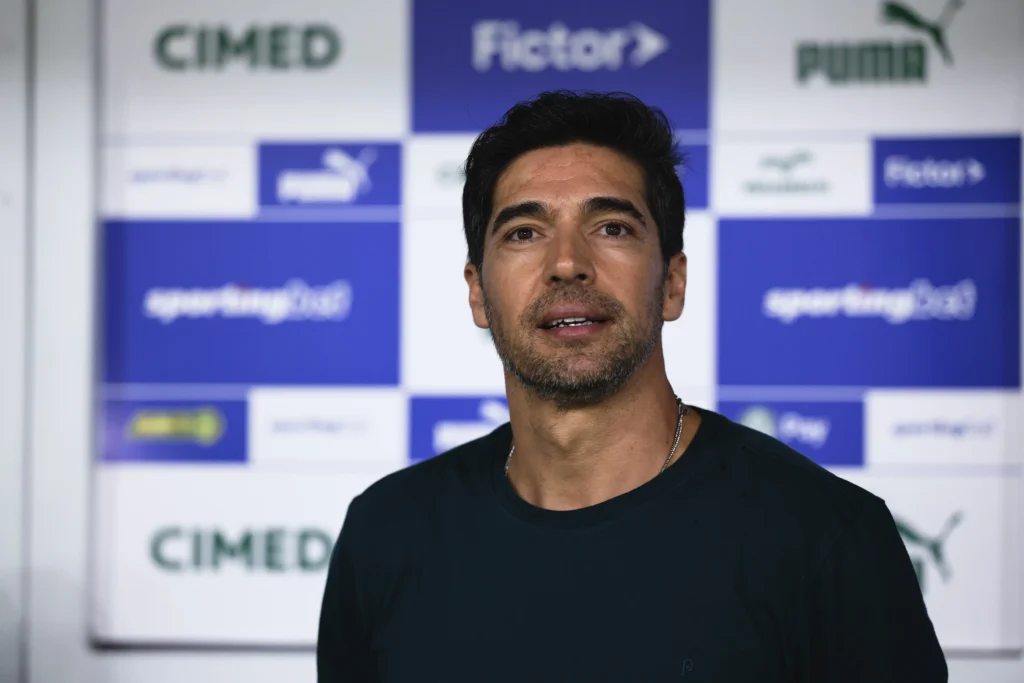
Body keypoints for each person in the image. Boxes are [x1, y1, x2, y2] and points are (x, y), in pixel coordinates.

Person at [316, 90, 947, 682]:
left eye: (612, 227)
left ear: (672, 283)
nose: (567, 263)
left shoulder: (828, 539)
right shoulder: (386, 534)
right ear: (479, 293)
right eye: (524, 233)